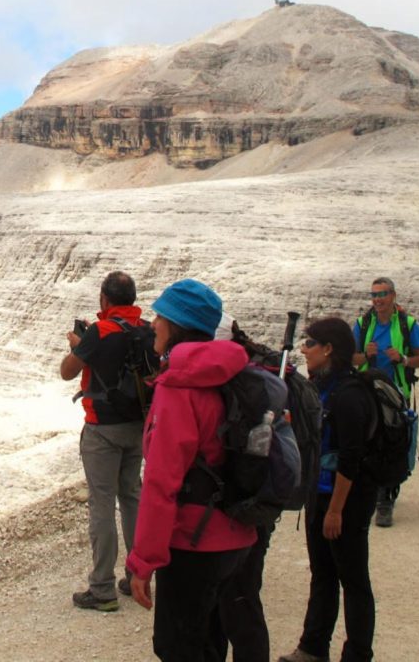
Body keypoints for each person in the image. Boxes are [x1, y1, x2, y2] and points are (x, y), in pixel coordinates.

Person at [125, 278, 257, 661]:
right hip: (236, 533)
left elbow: (162, 484)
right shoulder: (230, 372)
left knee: (177, 646)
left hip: (193, 541)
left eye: (160, 317)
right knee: (211, 643)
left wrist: (143, 561)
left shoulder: (180, 387)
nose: (152, 324)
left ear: (177, 325)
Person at [279, 317, 376, 662]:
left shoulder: (349, 394)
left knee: (352, 577)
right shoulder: (320, 386)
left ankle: (358, 654)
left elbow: (351, 458)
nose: (304, 350)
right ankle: (313, 647)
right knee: (322, 573)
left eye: (309, 344)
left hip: (346, 499)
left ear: (329, 349)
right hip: (319, 494)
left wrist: (336, 510)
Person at [60, 270, 155, 612]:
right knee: (132, 497)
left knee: (102, 503)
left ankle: (101, 588)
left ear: (105, 299)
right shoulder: (146, 330)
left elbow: (68, 371)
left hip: (102, 428)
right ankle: (135, 577)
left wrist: (78, 345)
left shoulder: (100, 331)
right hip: (137, 426)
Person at [351, 277, 419, 527]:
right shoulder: (362, 325)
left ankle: (386, 500)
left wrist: (403, 359)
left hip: (396, 393)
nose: (378, 299)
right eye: (374, 295)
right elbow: (351, 358)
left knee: (392, 443)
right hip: (367, 391)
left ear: (393, 295)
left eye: (382, 294)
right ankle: (374, 492)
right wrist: (365, 355)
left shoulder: (408, 324)